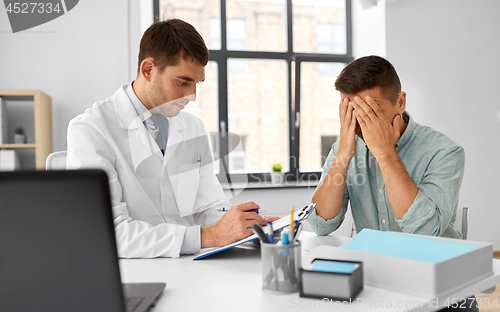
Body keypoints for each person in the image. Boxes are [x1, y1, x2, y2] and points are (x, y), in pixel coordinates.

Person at [67, 18, 276, 258]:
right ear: (148, 70)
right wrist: (209, 236)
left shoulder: (193, 126)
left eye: (197, 83)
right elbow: (106, 231)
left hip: (192, 266)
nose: (192, 95)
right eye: (183, 82)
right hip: (134, 273)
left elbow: (206, 207)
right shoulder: (91, 128)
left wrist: (247, 226)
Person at [308, 55, 478, 312]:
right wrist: (343, 154)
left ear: (400, 102)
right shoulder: (345, 148)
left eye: (371, 108)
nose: (361, 120)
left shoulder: (445, 152)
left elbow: (425, 232)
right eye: (351, 110)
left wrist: (385, 153)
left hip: (441, 288)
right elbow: (321, 224)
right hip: (377, 282)